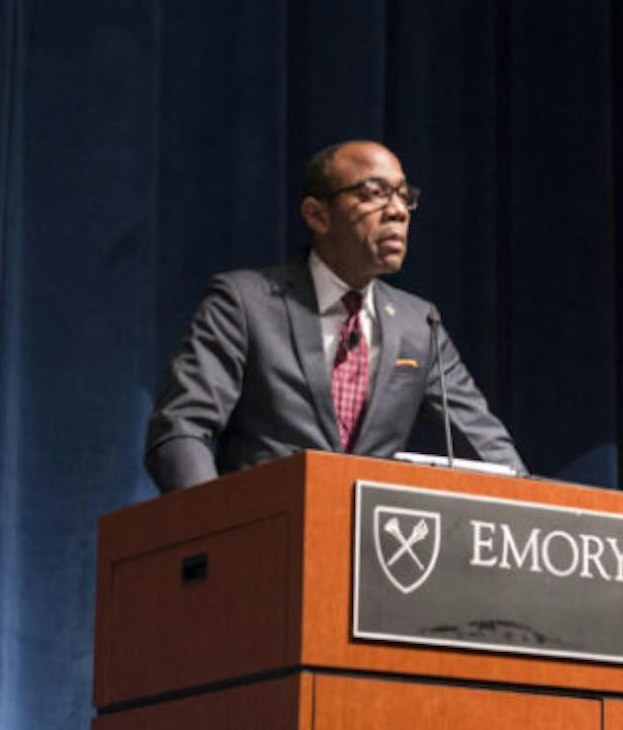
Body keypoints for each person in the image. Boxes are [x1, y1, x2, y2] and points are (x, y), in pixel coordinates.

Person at [144, 139, 525, 492]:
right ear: (317, 215)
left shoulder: (420, 324)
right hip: (264, 543)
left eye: (404, 196)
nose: (397, 212)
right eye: (374, 194)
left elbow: (490, 449)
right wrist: (216, 532)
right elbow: (181, 428)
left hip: (373, 552)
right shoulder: (245, 303)